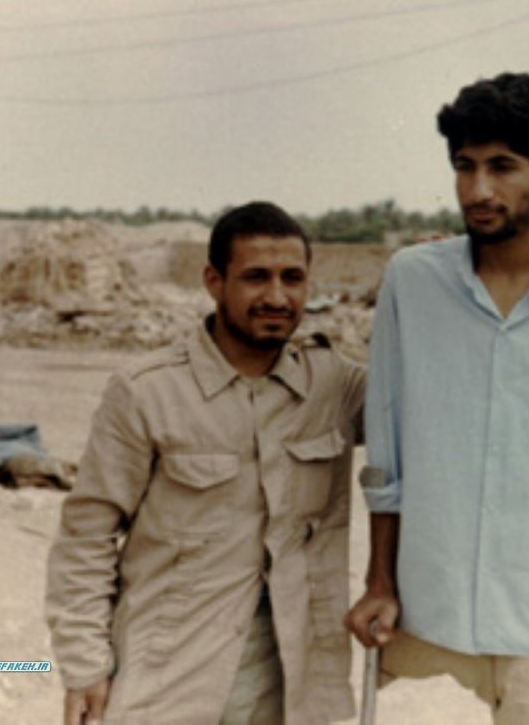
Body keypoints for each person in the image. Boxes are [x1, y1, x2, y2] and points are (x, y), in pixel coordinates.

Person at [344, 72, 529, 724]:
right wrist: (379, 582)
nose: (478, 190)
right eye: (464, 167)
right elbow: (386, 460)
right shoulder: (412, 282)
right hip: (424, 604)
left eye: (502, 167)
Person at [46, 202, 365, 725]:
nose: (277, 297)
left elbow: (434, 402)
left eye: (292, 278)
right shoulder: (147, 392)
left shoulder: (335, 385)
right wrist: (85, 667)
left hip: (295, 683)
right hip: (171, 679)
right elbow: (86, 537)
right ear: (214, 281)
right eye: (256, 277)